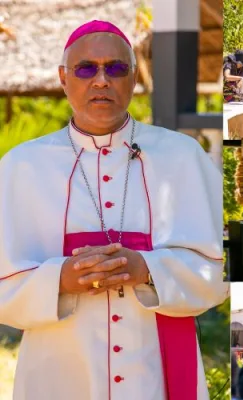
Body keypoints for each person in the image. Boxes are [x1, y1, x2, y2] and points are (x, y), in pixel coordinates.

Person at [0, 20, 227, 400]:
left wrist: (147, 269)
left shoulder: (183, 156)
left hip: (155, 366)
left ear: (134, 78)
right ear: (63, 78)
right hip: (60, 371)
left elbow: (219, 271)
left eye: (116, 68)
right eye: (86, 68)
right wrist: (61, 279)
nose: (101, 80)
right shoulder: (21, 166)